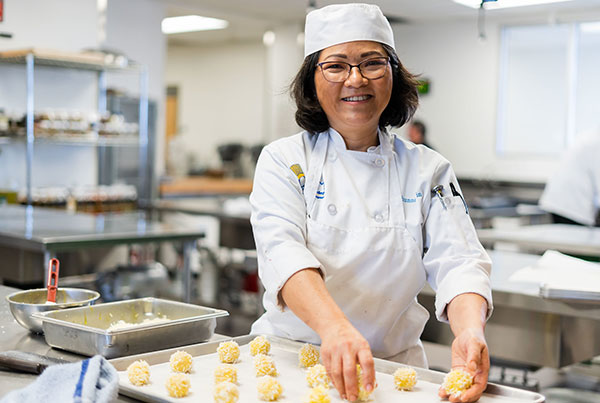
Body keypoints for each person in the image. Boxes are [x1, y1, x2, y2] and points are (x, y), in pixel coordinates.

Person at [249, 4, 493, 402]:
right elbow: (283, 252)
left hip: (395, 372)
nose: (355, 79)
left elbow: (460, 261)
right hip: (293, 362)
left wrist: (469, 331)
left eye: (372, 63)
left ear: (392, 75)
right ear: (312, 80)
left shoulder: (428, 168)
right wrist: (335, 329)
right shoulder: (285, 160)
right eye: (336, 65)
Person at [539, 131, 600, 226]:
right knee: (573, 239)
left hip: (563, 203)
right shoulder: (595, 142)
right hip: (571, 207)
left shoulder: (591, 138)